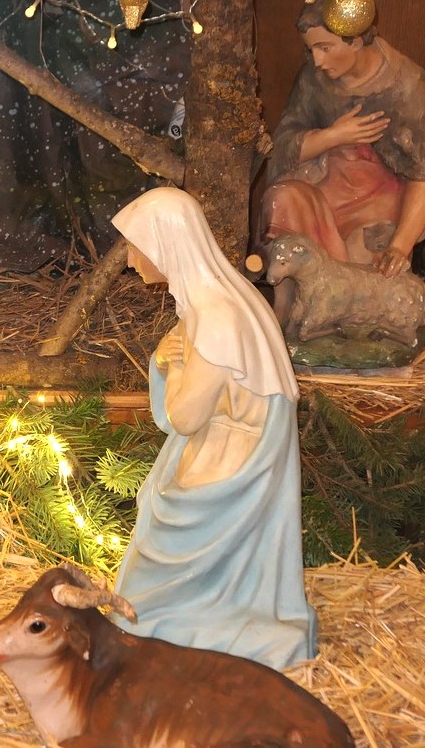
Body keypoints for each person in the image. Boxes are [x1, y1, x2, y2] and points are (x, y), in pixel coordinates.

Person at [112, 186, 317, 672]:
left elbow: (185, 417)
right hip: (220, 445)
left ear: (166, 245)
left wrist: (172, 365)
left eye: (136, 246)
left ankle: (189, 619)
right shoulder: (219, 303)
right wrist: (166, 360)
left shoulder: (217, 317)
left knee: (155, 546)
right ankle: (195, 612)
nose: (130, 259)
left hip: (229, 460)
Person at [260, 0, 425, 329]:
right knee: (282, 198)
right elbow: (283, 146)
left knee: (365, 273)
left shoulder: (406, 83)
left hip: (379, 201)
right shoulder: (313, 80)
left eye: (325, 48)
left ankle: (349, 333)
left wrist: (400, 246)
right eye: (311, 50)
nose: (317, 61)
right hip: (325, 189)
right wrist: (334, 136)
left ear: (356, 40)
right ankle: (286, 313)